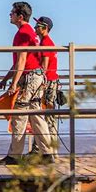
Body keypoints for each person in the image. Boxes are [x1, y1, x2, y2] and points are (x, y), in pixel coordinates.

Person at [0, 2, 54, 165]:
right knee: (36, 114)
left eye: (12, 12)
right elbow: (22, 61)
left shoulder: (22, 33)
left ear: (20, 16)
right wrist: (7, 78)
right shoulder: (29, 32)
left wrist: (13, 84)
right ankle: (47, 153)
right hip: (36, 76)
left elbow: (21, 62)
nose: (10, 14)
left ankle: (15, 155)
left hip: (29, 77)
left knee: (19, 113)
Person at [29, 16, 60, 157]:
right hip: (50, 82)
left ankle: (48, 152)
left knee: (46, 117)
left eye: (38, 26)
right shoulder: (44, 42)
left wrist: (39, 82)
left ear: (45, 27)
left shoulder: (46, 43)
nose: (35, 28)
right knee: (45, 117)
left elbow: (45, 66)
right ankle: (46, 150)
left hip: (48, 83)